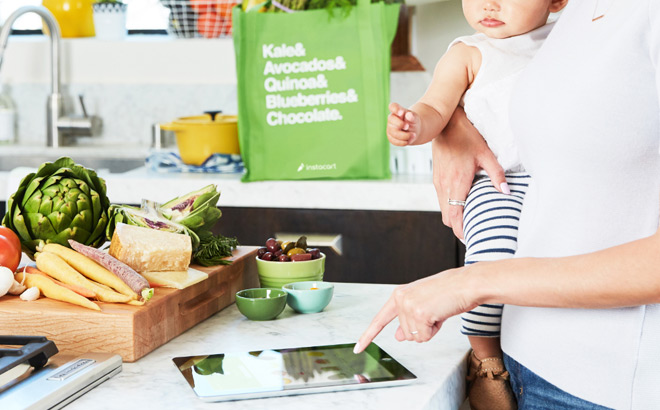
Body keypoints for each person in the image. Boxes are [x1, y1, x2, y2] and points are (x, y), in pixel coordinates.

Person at [356, 0, 660, 409]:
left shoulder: (585, 28)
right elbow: (451, 103)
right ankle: (486, 360)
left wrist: (470, 284)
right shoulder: (549, 29)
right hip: (526, 355)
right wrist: (444, 126)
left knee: (488, 264)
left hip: (608, 385)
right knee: (491, 251)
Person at [386, 0, 567, 408]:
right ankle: (486, 361)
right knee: (491, 257)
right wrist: (415, 126)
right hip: (497, 179)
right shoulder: (468, 53)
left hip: (556, 178)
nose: (490, 4)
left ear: (558, 2)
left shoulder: (569, 41)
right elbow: (435, 107)